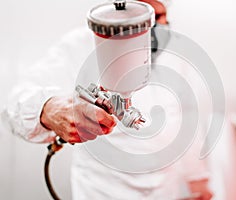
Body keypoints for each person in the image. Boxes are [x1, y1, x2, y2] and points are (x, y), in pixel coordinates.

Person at [2, 0, 213, 199]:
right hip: (103, 193)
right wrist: (49, 109)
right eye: (136, 16)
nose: (150, 27)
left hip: (166, 192)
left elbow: (188, 121)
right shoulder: (79, 47)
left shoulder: (177, 57)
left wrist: (198, 182)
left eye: (158, 16)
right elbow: (15, 103)